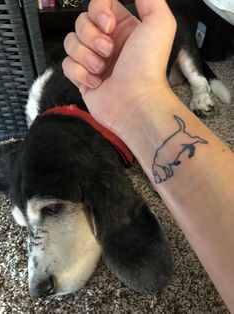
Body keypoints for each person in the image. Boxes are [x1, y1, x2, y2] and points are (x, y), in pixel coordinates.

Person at [62, 0, 234, 311]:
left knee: (180, 31)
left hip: (166, 62)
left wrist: (186, 87)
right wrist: (141, 104)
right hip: (140, 81)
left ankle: (200, 84)